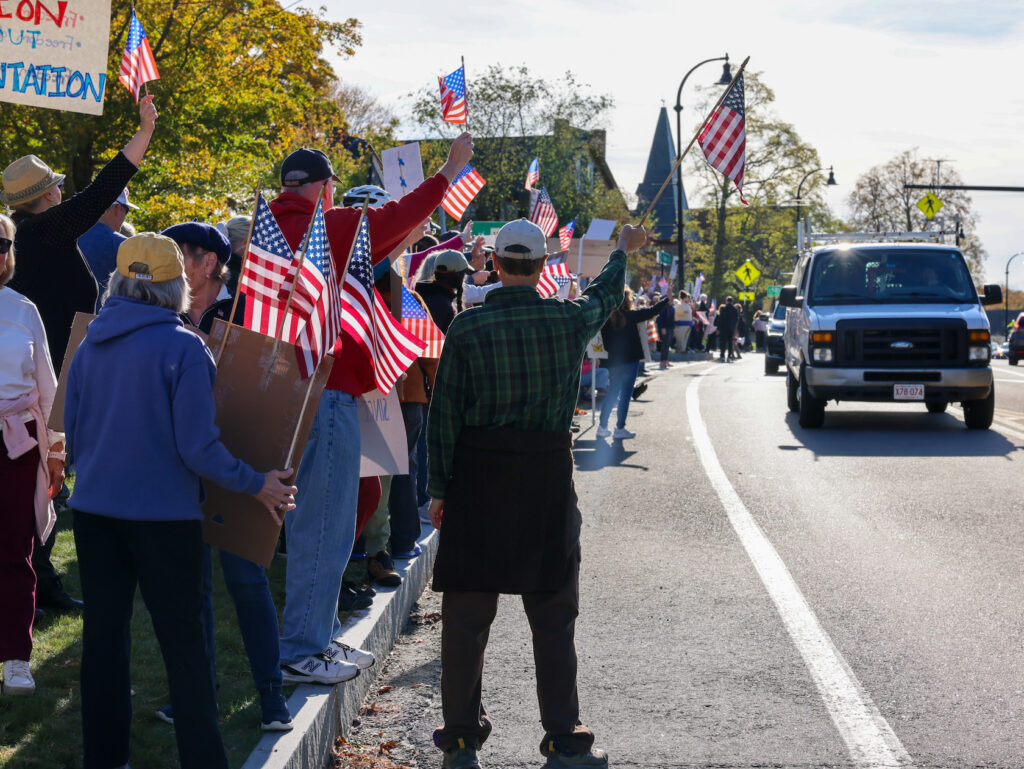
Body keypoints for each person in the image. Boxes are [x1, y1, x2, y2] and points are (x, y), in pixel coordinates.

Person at [64, 232, 297, 769]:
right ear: (176, 286)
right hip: (164, 522)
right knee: (185, 647)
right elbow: (198, 449)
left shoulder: (91, 341)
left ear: (119, 281)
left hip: (96, 516)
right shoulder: (183, 346)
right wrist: (256, 482)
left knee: (103, 640)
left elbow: (72, 434)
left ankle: (105, 757)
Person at [427, 219, 648, 769]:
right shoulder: (565, 320)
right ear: (544, 266)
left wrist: (437, 488)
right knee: (553, 614)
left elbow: (444, 417)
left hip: (477, 480)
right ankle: (564, 736)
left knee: (466, 618)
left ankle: (459, 738)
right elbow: (603, 293)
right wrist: (621, 249)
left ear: (496, 265)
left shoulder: (467, 328)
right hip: (545, 478)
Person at [268, 135, 475, 684]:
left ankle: (312, 638)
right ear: (325, 187)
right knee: (324, 528)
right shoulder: (326, 227)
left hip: (280, 393)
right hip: (326, 390)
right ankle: (300, 650)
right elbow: (398, 217)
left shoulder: (270, 227)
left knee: (316, 524)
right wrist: (449, 171)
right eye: (333, 188)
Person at [3, 95, 159, 616]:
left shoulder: (31, 236)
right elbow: (102, 194)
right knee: (45, 479)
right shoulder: (45, 230)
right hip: (44, 377)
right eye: (57, 190)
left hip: (44, 371)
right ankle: (34, 584)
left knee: (44, 479)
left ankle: (38, 582)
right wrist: (143, 134)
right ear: (47, 197)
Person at [152, 221, 308, 731]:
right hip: (181, 459)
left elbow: (277, 376)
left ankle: (271, 697)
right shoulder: (160, 308)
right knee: (190, 583)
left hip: (241, 456)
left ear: (212, 262)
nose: (177, 261)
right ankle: (197, 694)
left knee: (246, 578)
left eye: (186, 253)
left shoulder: (247, 306)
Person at [0, 213, 63, 697]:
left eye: (2, 243)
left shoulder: (23, 309)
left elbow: (48, 390)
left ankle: (17, 659)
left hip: (16, 446)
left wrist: (56, 454)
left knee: (16, 550)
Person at [597, 289, 669, 439]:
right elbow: (652, 311)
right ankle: (620, 428)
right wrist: (666, 298)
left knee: (612, 393)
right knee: (625, 395)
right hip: (630, 360)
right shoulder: (631, 316)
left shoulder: (604, 319)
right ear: (627, 300)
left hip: (613, 362)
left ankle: (602, 426)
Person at [77, 188, 139, 298]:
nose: (124, 217)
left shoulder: (68, 236)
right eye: (126, 210)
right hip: (106, 314)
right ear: (117, 208)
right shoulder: (124, 245)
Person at [716, 296, 739, 361]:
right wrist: (735, 328)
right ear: (732, 301)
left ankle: (722, 355)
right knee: (730, 343)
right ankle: (729, 356)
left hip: (723, 328)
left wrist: (718, 328)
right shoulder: (734, 310)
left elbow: (720, 319)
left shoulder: (723, 309)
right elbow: (736, 320)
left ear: (726, 301)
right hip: (731, 328)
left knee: (723, 342)